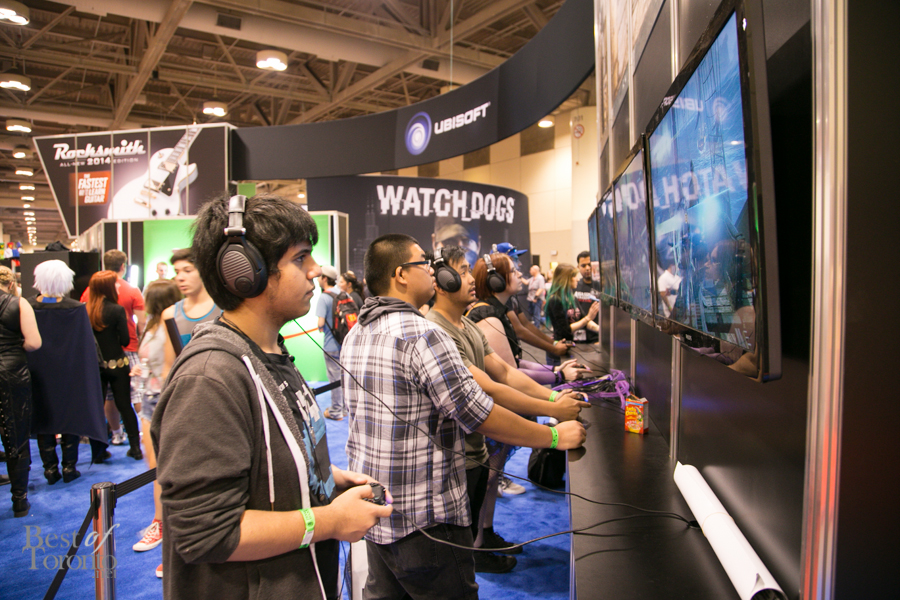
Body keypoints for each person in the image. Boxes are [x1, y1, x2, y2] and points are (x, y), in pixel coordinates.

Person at [151, 193, 391, 600]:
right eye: (300, 258)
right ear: (245, 273)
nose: (315, 270)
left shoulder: (270, 353)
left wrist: (326, 477)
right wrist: (330, 522)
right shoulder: (210, 378)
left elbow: (261, 460)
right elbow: (206, 533)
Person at [342, 233, 586, 600]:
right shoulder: (423, 334)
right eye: (423, 263)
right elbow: (479, 413)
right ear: (401, 275)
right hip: (427, 521)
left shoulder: (357, 333)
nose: (432, 271)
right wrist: (554, 436)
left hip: (378, 511)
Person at [426, 246, 589, 573]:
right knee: (455, 556)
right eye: (463, 271)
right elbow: (489, 385)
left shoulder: (467, 325)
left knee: (480, 501)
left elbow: (505, 372)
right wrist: (554, 414)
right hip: (455, 451)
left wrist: (554, 400)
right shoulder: (437, 330)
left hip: (474, 445)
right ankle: (476, 550)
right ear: (442, 280)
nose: (471, 279)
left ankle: (482, 541)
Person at [28, 261, 107, 486]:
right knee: (70, 416)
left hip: (38, 374)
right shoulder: (76, 308)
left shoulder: (28, 307)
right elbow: (87, 346)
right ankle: (69, 466)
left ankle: (50, 468)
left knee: (43, 418)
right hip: (70, 374)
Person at [130, 279, 182, 575]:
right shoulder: (151, 326)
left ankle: (171, 535)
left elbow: (175, 367)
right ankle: (160, 524)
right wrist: (140, 372)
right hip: (150, 401)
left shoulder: (172, 325)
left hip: (168, 401)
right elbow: (149, 364)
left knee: (170, 470)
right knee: (155, 469)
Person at [81, 250, 146, 445]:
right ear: (123, 266)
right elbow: (141, 323)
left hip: (98, 356)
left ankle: (116, 434)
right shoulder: (132, 291)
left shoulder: (88, 292)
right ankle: (142, 434)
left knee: (107, 398)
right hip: (127, 351)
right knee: (134, 396)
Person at [0, 266, 41, 517]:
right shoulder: (19, 303)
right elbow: (34, 342)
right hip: (12, 373)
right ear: (11, 284)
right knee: (16, 434)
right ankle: (19, 500)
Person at [492, 243, 570, 362]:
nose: (519, 264)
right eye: (515, 260)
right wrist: (553, 348)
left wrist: (553, 343)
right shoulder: (499, 298)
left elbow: (526, 324)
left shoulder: (510, 297)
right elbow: (519, 331)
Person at [160, 248, 222, 374]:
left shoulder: (225, 309)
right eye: (177, 272)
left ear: (203, 271)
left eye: (187, 270)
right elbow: (169, 366)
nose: (180, 277)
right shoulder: (170, 315)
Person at [316, 265, 349, 421]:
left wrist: (320, 327)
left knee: (335, 379)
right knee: (344, 378)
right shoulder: (342, 293)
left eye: (319, 276)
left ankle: (335, 411)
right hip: (345, 343)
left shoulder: (324, 297)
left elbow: (320, 323)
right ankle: (344, 409)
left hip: (331, 344)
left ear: (324, 278)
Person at [545, 264, 600, 345]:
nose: (577, 279)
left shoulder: (572, 298)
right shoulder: (555, 300)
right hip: (562, 345)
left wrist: (600, 330)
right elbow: (564, 330)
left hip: (574, 343)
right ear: (565, 279)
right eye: (574, 276)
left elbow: (583, 319)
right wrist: (588, 318)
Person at [575, 251, 602, 344]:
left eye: (589, 265)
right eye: (583, 266)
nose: (587, 268)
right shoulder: (574, 286)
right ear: (578, 267)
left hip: (597, 336)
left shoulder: (602, 287)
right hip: (578, 337)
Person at [524, 265, 546, 329]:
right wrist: (519, 277)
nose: (530, 271)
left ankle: (536, 329)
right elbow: (526, 282)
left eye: (531, 270)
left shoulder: (540, 278)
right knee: (531, 312)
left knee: (536, 314)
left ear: (535, 270)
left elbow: (541, 288)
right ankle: (542, 321)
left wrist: (535, 298)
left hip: (537, 300)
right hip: (530, 299)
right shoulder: (532, 278)